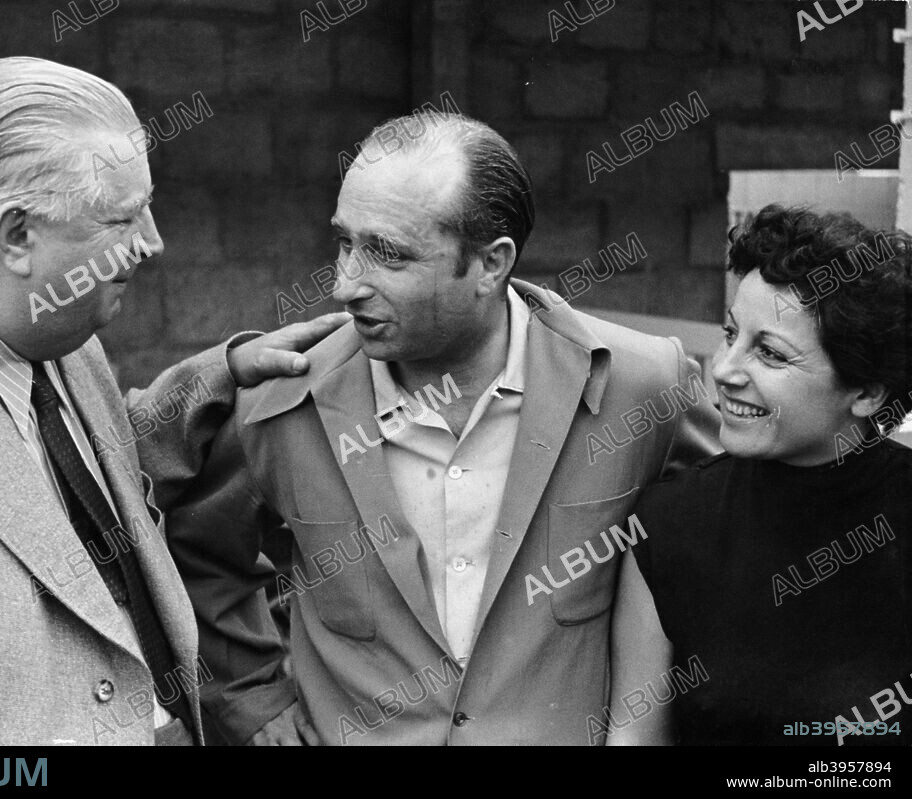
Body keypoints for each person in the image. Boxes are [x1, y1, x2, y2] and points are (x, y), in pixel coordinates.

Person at [147, 112, 721, 745]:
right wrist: (252, 702)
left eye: (388, 254)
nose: (344, 285)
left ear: (490, 265)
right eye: (345, 243)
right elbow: (195, 551)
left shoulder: (642, 386)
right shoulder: (284, 398)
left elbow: (737, 533)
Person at [0, 57, 342, 746]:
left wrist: (215, 382)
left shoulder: (56, 328)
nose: (153, 241)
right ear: (16, 236)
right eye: (123, 218)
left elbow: (61, 489)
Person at [609, 205, 912, 746]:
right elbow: (635, 736)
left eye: (770, 354)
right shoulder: (669, 525)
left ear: (867, 393)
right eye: (731, 334)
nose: (724, 370)